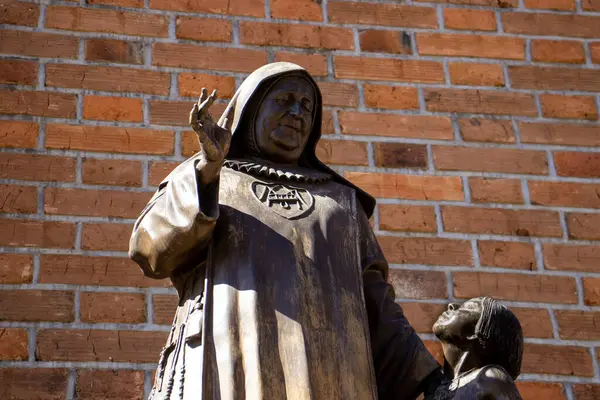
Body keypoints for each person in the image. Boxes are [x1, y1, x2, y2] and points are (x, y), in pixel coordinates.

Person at [129, 62, 441, 400]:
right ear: (252, 108)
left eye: (307, 106)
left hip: (335, 373)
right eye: (285, 100)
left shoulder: (342, 201)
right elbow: (150, 251)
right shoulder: (208, 176)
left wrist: (432, 379)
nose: (297, 113)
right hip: (227, 363)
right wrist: (208, 171)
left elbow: (377, 304)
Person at [428, 297, 524, 400]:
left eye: (469, 307)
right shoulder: (435, 386)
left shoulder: (490, 379)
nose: (451, 305)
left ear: (479, 333)